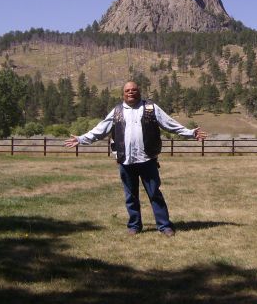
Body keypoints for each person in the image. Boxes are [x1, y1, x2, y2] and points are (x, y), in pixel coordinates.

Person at [64, 81, 207, 237]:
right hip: (126, 161)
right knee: (130, 196)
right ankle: (134, 225)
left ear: (139, 92)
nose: (130, 92)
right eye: (127, 90)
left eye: (133, 90)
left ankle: (164, 226)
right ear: (123, 94)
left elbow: (170, 124)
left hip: (147, 160)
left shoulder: (151, 108)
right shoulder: (117, 111)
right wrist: (81, 139)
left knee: (154, 194)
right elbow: (100, 130)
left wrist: (191, 133)